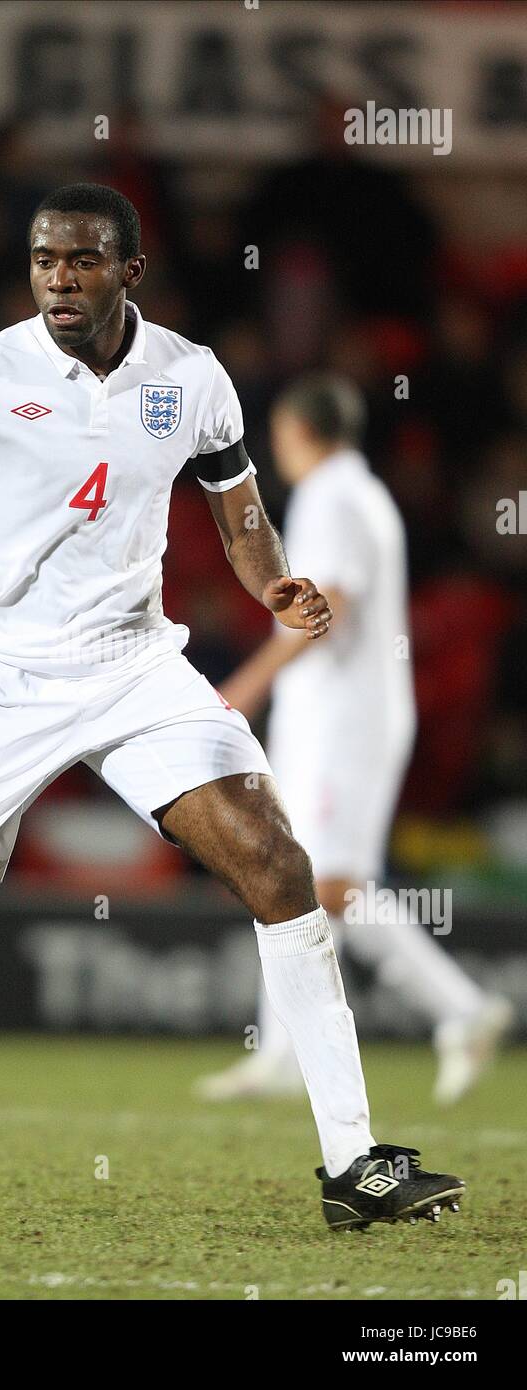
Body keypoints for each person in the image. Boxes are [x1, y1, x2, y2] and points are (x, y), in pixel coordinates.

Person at [0, 184, 463, 1232]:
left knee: (277, 865)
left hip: (131, 666)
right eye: (43, 260)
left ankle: (353, 1167)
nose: (59, 278)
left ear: (128, 271)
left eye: (81, 260)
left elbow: (235, 506)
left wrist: (272, 585)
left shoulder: (191, 378)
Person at [195, 374, 512, 1106]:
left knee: (330, 885)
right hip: (343, 716)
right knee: (289, 874)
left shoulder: (331, 495)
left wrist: (249, 683)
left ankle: (460, 1009)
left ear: (299, 432)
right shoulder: (360, 492)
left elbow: (327, 602)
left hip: (345, 720)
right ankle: (280, 1051)